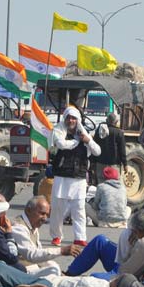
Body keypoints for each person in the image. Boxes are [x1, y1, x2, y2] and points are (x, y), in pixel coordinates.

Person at [48, 106, 101, 247]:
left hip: (79, 177)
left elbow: (97, 151)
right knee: (57, 208)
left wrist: (87, 140)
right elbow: (60, 144)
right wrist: (77, 141)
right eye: (68, 117)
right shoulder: (59, 131)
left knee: (79, 209)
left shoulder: (84, 134)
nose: (70, 120)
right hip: (61, 175)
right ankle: (56, 236)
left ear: (78, 120)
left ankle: (80, 237)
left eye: (73, 118)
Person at [12, 196, 81, 275]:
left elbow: (39, 252)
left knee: (53, 266)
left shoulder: (32, 225)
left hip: (31, 266)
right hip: (21, 271)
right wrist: (61, 251)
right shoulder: (18, 228)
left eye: (47, 215)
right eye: (42, 213)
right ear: (28, 210)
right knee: (52, 270)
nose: (45, 218)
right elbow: (32, 255)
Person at [93, 112, 126, 182]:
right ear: (116, 122)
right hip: (113, 165)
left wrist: (93, 162)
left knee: (101, 184)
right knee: (113, 186)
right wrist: (125, 164)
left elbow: (94, 146)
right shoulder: (119, 132)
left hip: (100, 163)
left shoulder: (99, 130)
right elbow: (122, 150)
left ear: (106, 120)